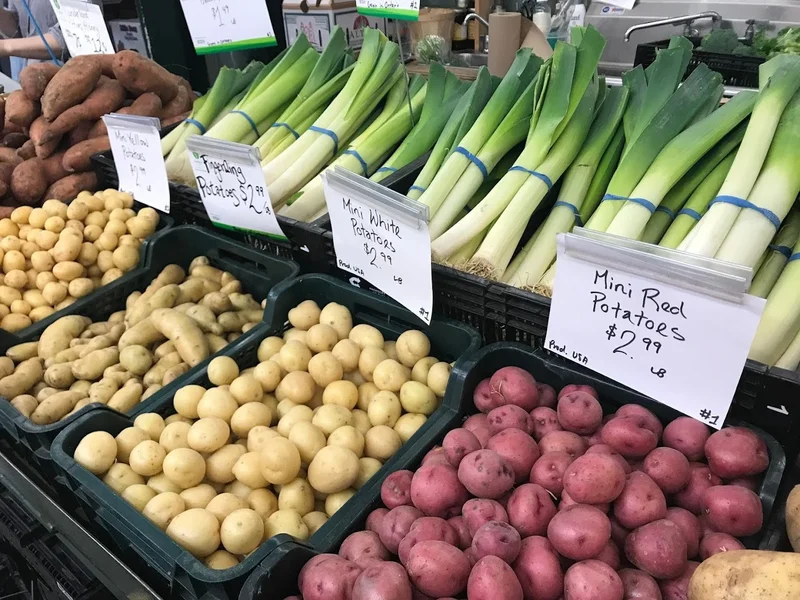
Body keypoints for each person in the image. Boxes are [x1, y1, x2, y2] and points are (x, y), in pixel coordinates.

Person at [0, 0, 103, 76]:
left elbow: (76, 36)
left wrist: (5, 46)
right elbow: (19, 31)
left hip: (72, 79)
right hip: (30, 79)